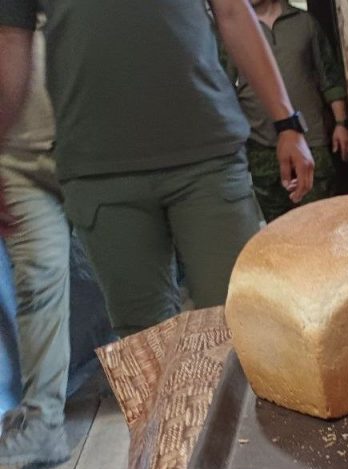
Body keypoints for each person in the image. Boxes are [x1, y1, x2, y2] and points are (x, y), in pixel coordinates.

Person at [0, 0, 315, 345]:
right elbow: (12, 43)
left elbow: (234, 12)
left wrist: (287, 123)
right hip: (101, 172)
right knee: (145, 345)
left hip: (207, 158)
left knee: (239, 323)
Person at [0, 27, 72, 468]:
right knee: (36, 281)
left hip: (94, 150)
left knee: (134, 273)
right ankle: (44, 421)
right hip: (16, 161)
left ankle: (164, 394)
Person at [227, 0, 348, 223]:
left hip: (312, 144)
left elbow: (329, 77)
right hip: (261, 149)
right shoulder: (233, 31)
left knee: (321, 223)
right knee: (280, 231)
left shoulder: (305, 23)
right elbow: (224, 90)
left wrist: (341, 124)